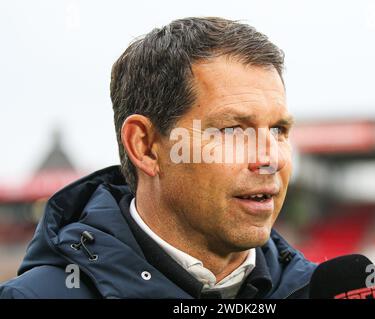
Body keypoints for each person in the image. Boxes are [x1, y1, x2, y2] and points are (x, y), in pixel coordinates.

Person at [0, 17, 316, 299]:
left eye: (278, 130)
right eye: (233, 131)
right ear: (146, 147)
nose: (270, 158)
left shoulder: (326, 291)